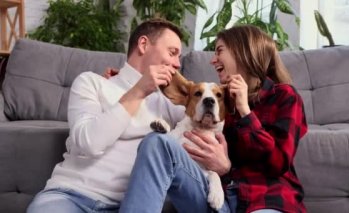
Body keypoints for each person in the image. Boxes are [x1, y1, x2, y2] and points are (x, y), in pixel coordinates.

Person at [121, 25, 308, 213]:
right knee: (156, 142)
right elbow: (185, 106)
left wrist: (244, 111)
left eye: (219, 51)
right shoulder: (221, 102)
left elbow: (278, 163)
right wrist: (124, 79)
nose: (213, 60)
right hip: (216, 200)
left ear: (242, 51)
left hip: (265, 201)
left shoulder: (284, 96)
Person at [27, 18, 187, 213]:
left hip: (129, 205)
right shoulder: (91, 83)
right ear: (143, 44)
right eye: (172, 53)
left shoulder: (169, 103)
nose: (177, 64)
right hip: (69, 196)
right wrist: (137, 91)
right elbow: (89, 143)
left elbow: (211, 115)